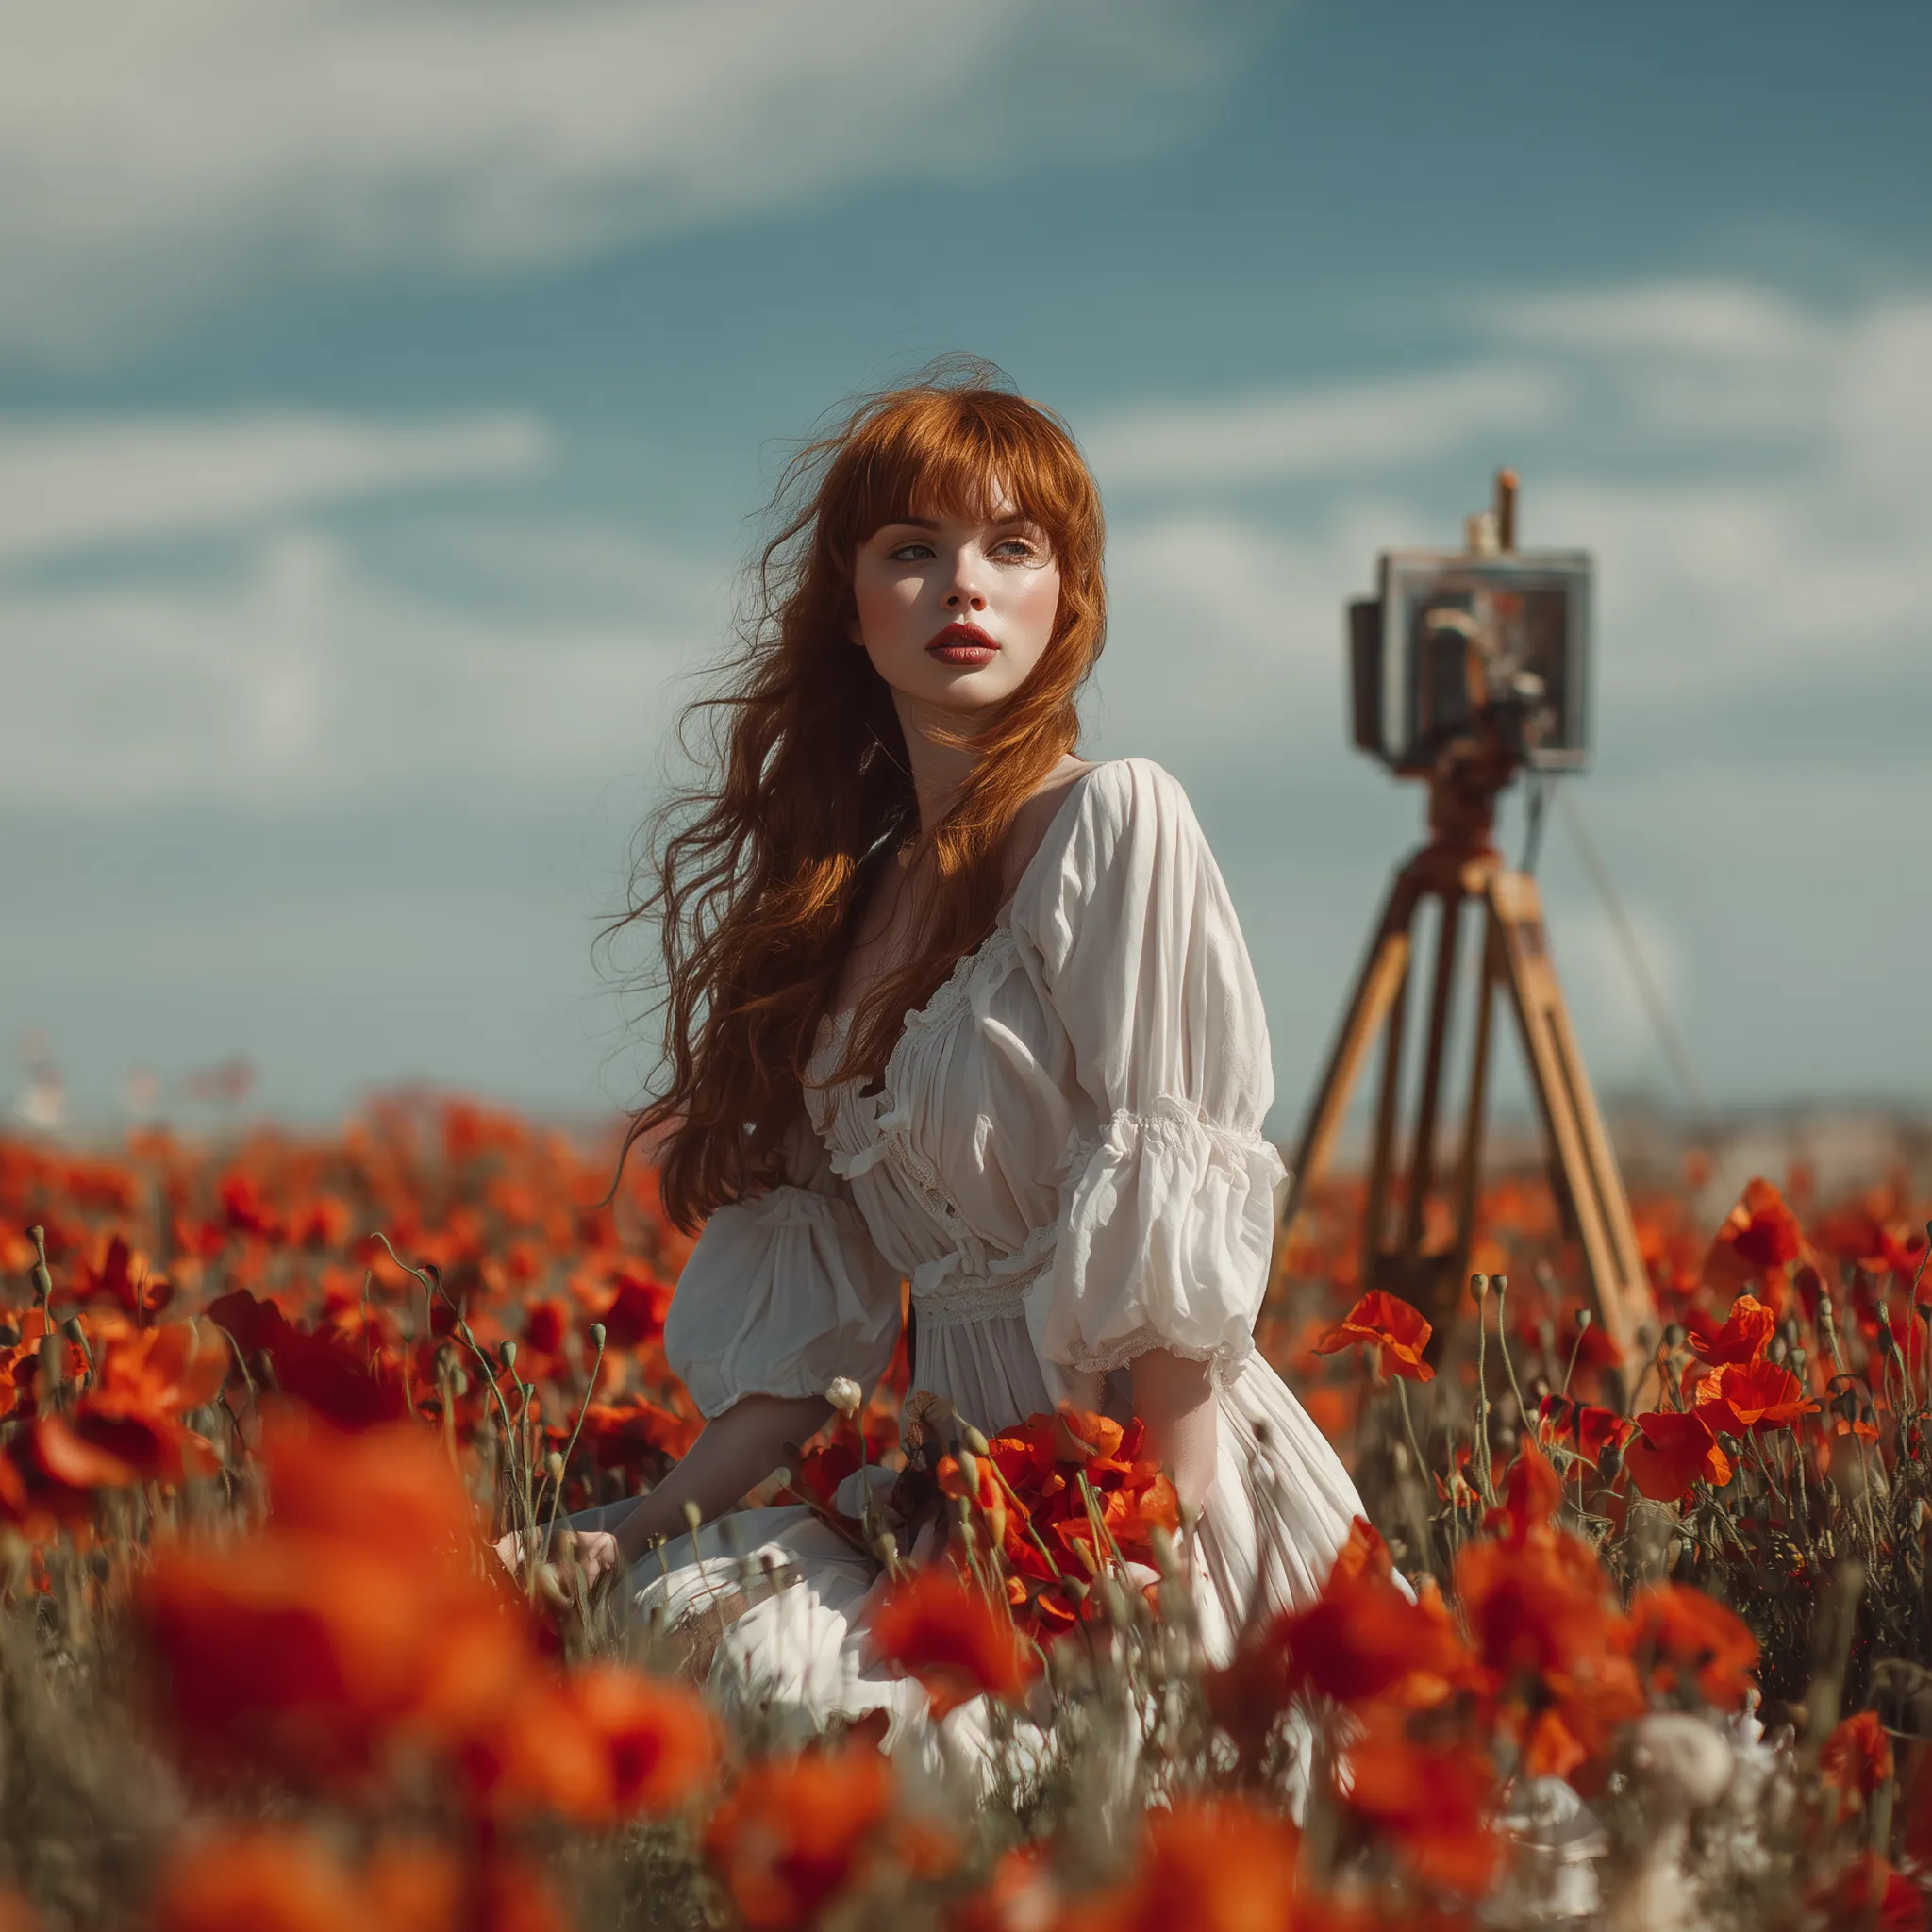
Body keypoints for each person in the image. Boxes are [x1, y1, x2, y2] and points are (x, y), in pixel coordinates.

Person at [555, 358, 1367, 1736]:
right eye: (913, 553)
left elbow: (1171, 1276)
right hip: (964, 1511)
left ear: (1069, 600)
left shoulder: (1115, 825)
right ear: (852, 606)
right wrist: (634, 1523)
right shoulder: (839, 906)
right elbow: (807, 1355)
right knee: (692, 1645)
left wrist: (1144, 1569)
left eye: (1013, 548)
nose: (965, 589)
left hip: (1144, 1501)